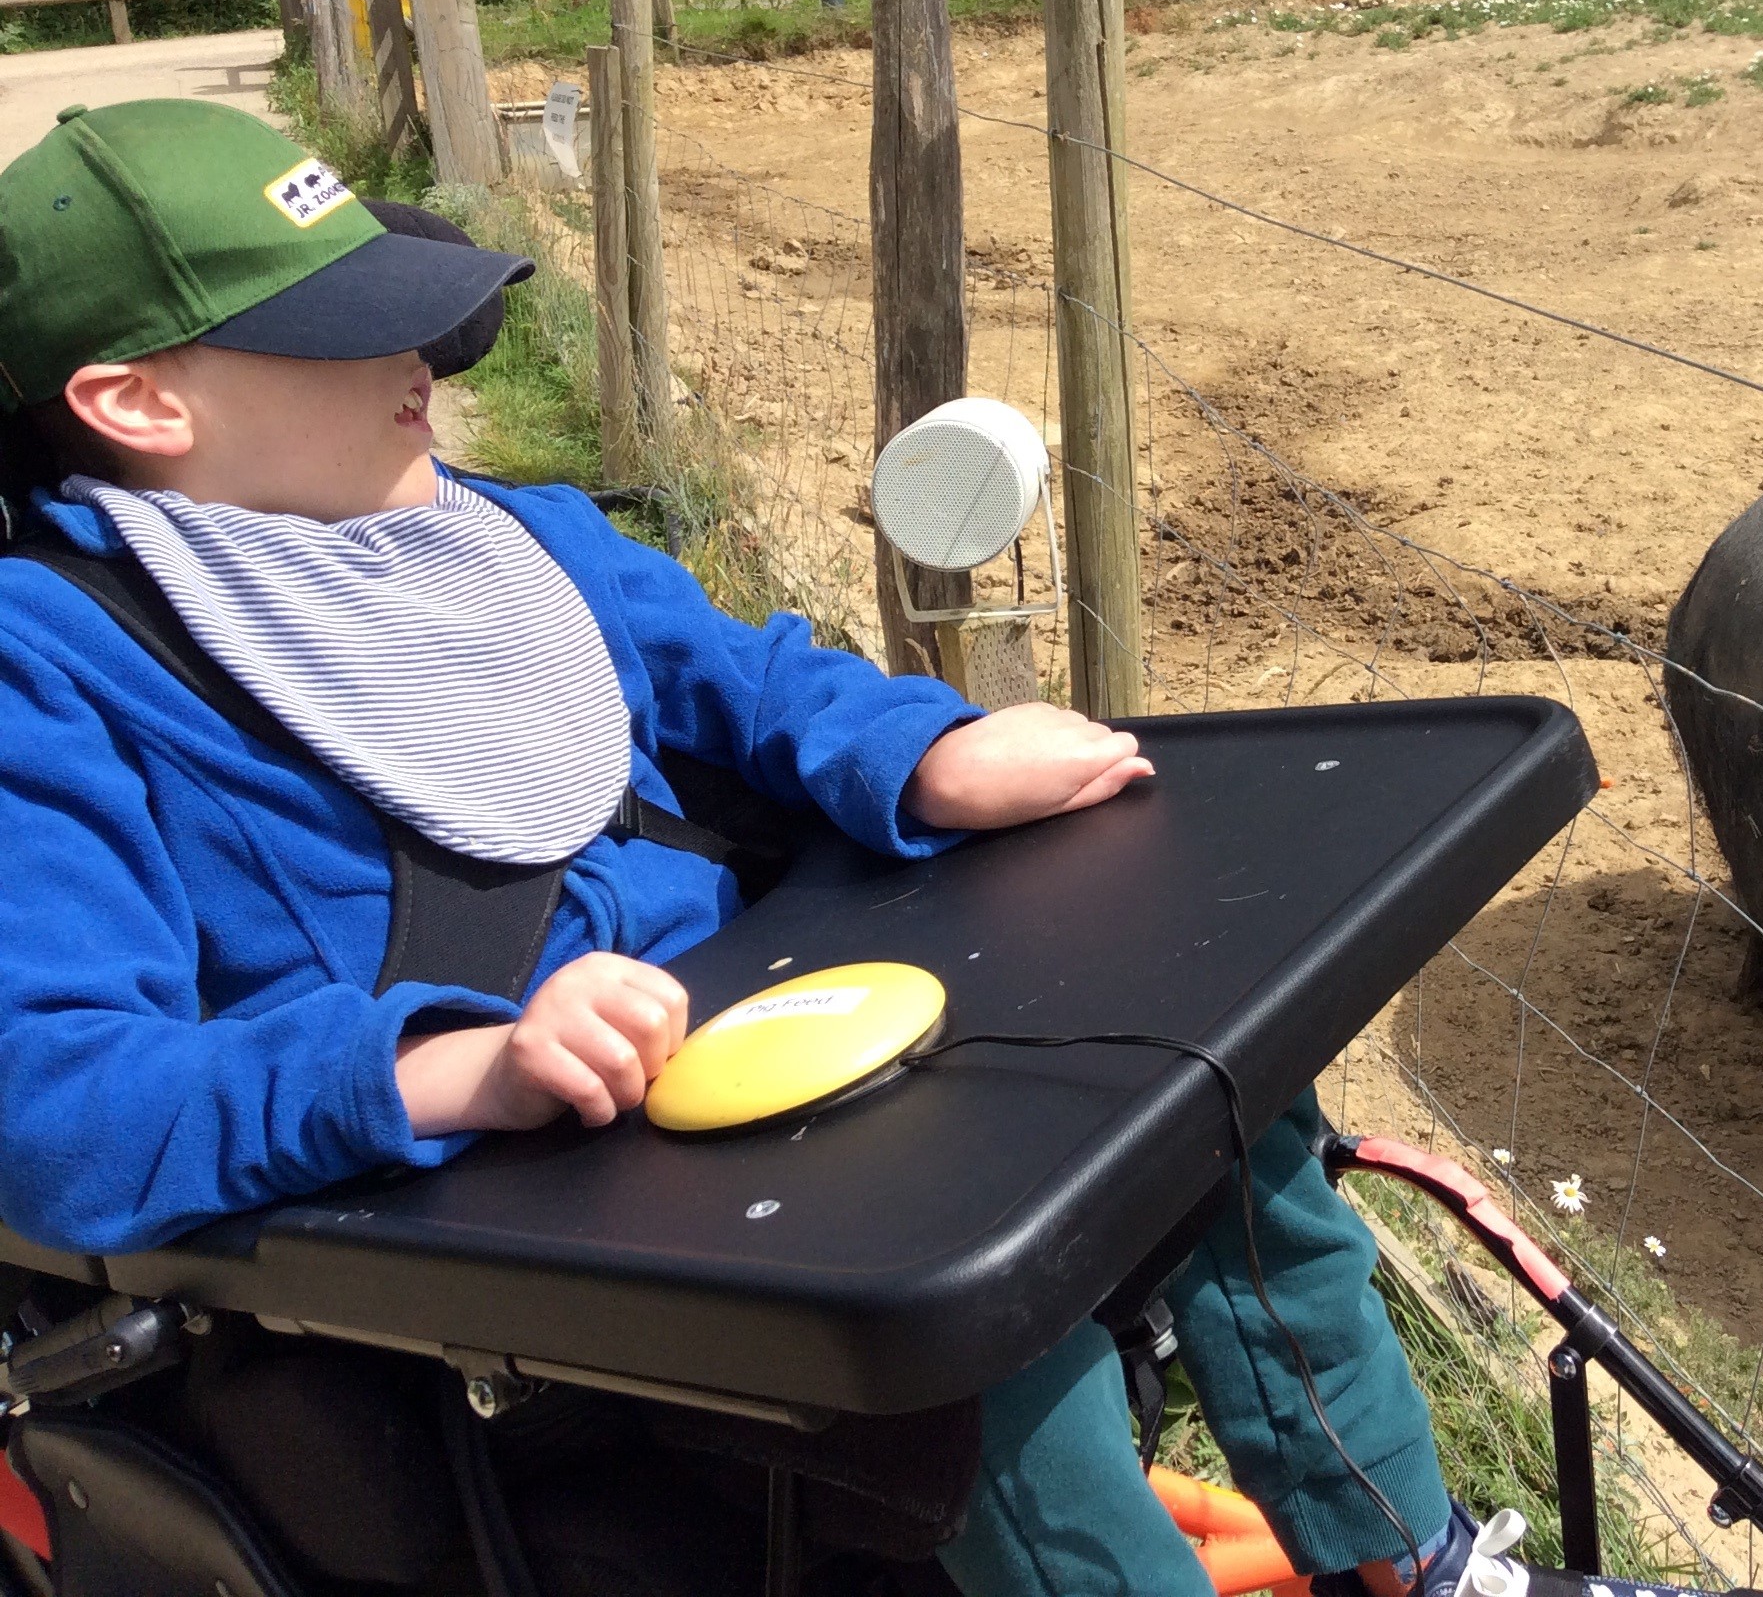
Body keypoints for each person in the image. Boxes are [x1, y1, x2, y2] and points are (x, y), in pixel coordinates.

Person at [0, 101, 1493, 1597]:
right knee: (979, 1347)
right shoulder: (51, 666)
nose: (426, 366)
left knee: (1229, 1104)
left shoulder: (515, 533)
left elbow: (755, 676)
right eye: (347, 332)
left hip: (784, 1026)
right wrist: (449, 1066)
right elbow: (52, 1100)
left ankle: (1403, 1553)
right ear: (138, 405)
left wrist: (926, 750)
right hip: (536, 1231)